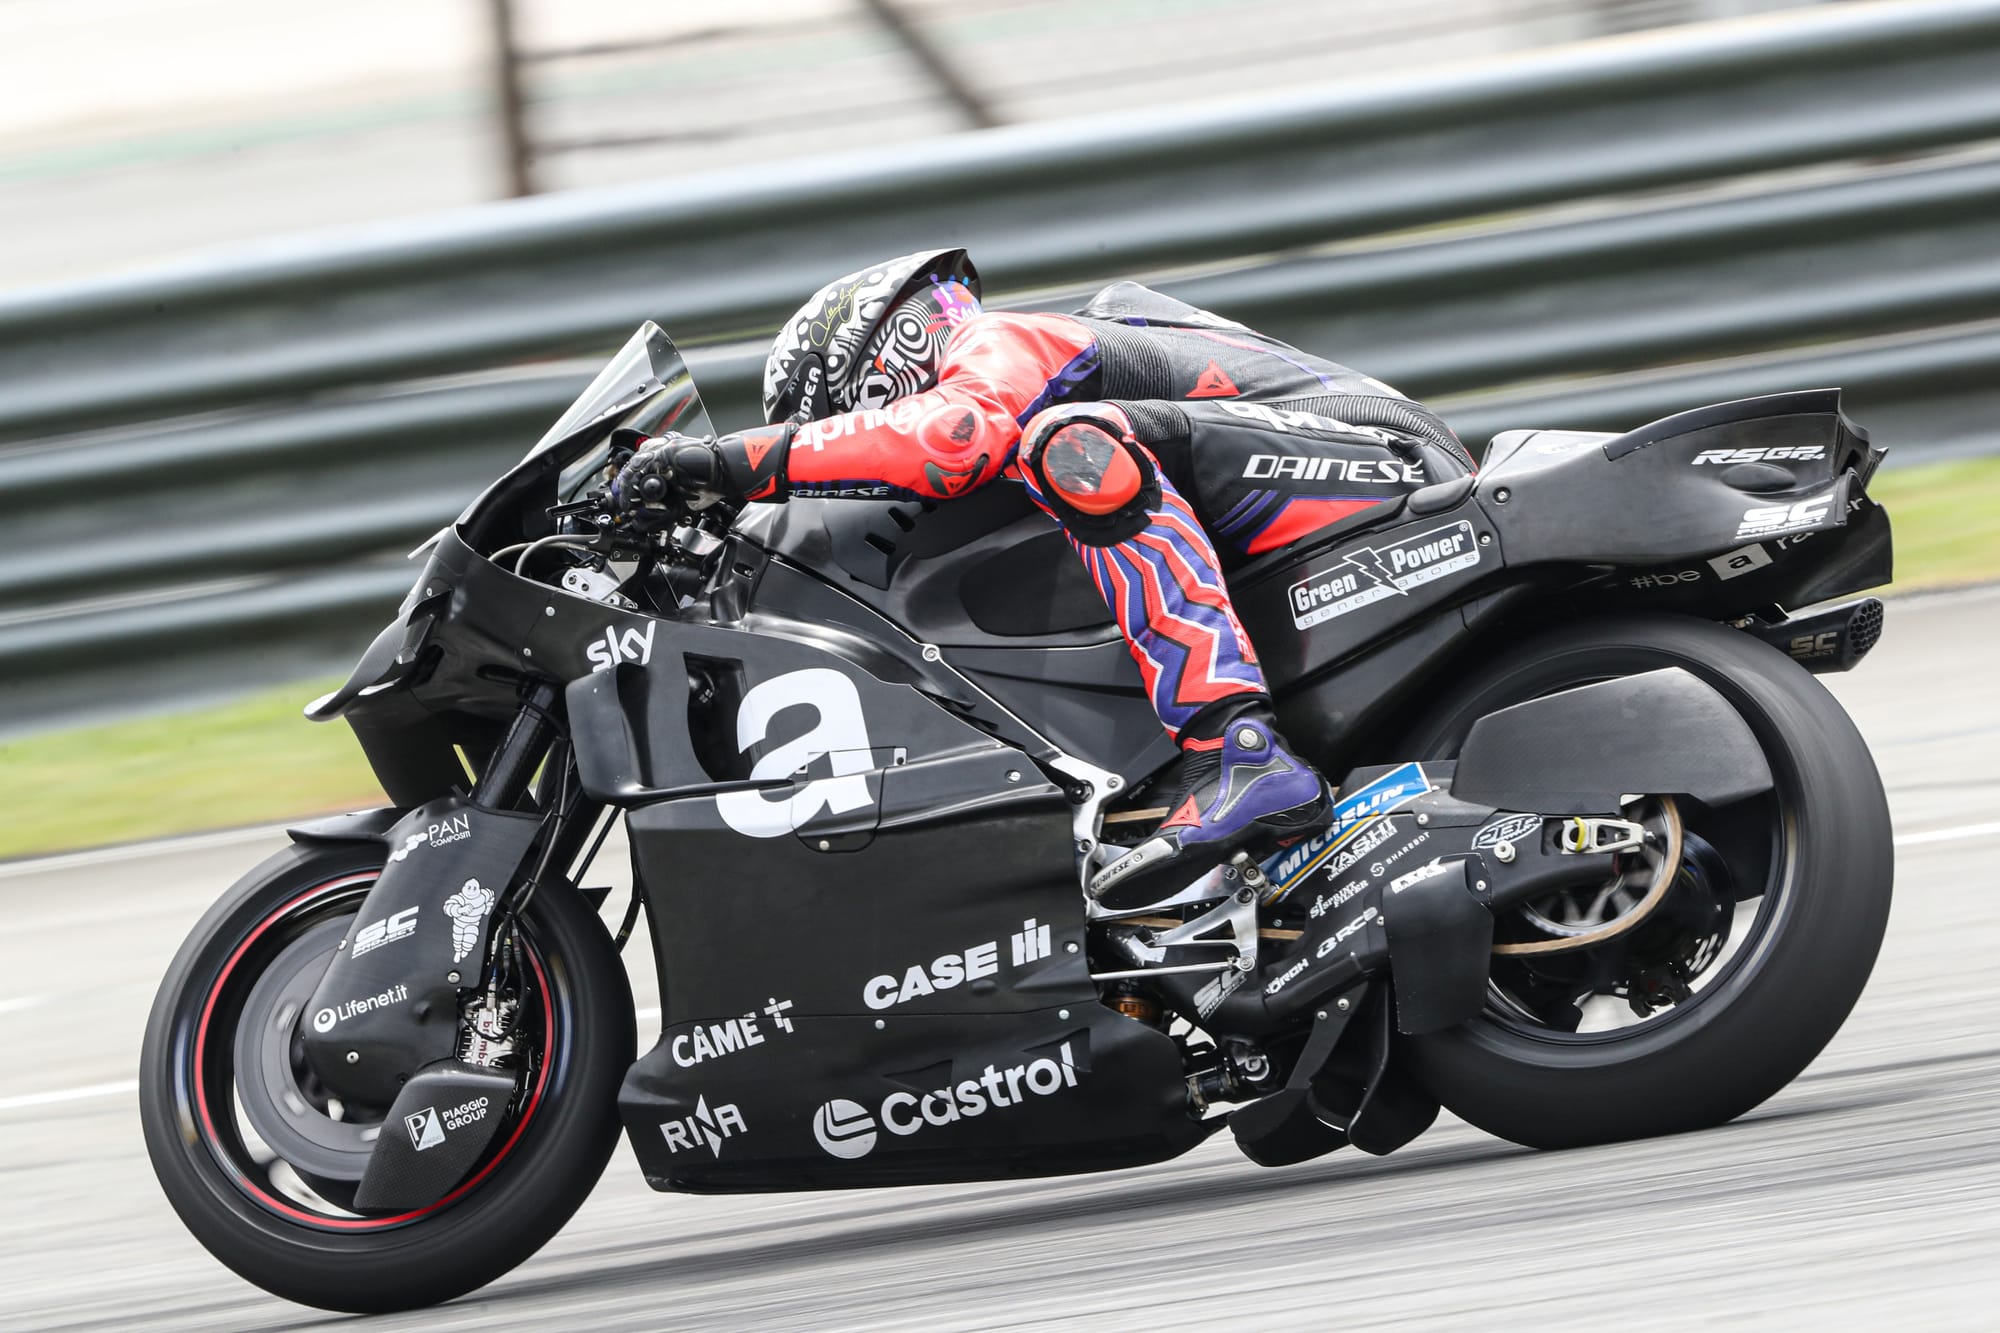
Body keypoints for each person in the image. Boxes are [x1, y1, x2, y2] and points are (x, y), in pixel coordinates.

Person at [613, 248, 1473, 895]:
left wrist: (727, 463)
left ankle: (1240, 751)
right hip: (1297, 486)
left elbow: (953, 436)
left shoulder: (1000, 339)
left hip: (1376, 452)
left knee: (1065, 448)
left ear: (880, 358)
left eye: (839, 422)